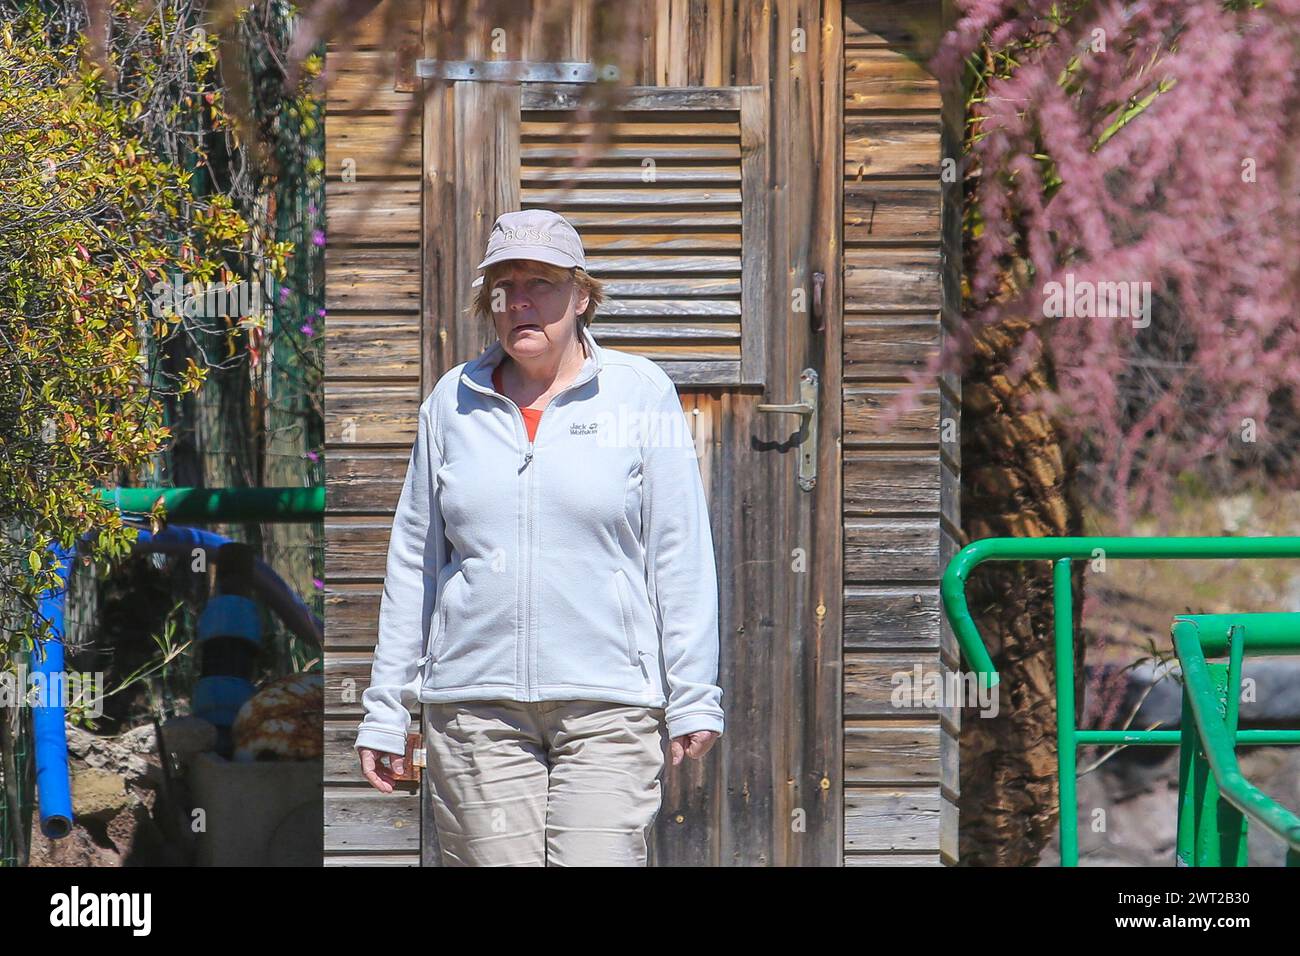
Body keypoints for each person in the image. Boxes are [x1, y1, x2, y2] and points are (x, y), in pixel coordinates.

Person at [354, 208, 725, 866]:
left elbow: (680, 553)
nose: (521, 301)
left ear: (582, 295)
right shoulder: (451, 401)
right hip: (474, 705)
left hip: (609, 702)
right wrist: (387, 708)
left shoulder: (641, 394)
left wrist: (694, 694)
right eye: (505, 285)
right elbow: (414, 564)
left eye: (543, 283)